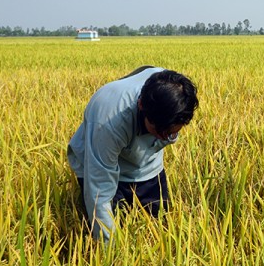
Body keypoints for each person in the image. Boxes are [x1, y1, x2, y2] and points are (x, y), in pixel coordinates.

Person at [67, 66, 198, 241]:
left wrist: (165, 134)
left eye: (171, 133)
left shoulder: (175, 94)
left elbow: (164, 130)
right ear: (141, 105)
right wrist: (111, 255)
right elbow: (100, 191)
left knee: (157, 228)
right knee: (109, 226)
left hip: (146, 165)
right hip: (101, 163)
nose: (165, 138)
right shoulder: (108, 121)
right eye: (159, 131)